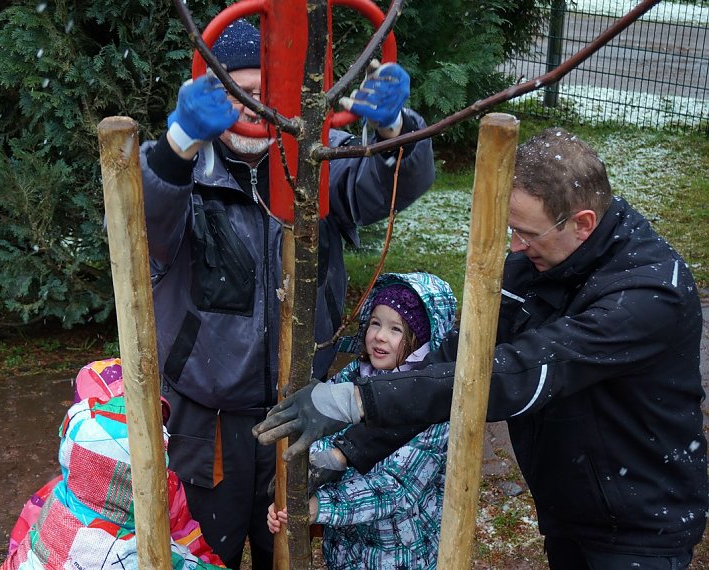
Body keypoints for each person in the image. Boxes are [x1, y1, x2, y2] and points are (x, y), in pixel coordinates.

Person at [254, 128, 709, 569]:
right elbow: (451, 363)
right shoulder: (540, 262)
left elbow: (518, 372)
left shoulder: (649, 295)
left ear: (583, 224)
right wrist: (347, 452)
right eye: (512, 229)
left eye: (527, 233)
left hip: (640, 525)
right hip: (570, 506)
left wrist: (355, 399)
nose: (515, 246)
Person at [140, 18, 436, 569]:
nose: (254, 108)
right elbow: (144, 220)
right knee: (205, 552)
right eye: (239, 93)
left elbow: (397, 185)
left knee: (289, 550)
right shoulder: (180, 168)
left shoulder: (315, 158)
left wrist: (396, 129)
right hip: (210, 425)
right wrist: (179, 141)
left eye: (265, 92)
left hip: (302, 410)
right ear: (213, 93)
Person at [267, 272, 456, 569]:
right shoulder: (353, 379)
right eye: (376, 323)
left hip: (400, 555)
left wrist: (321, 507)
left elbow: (395, 489)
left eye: (397, 329)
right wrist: (297, 494)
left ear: (423, 340)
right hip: (346, 548)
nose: (380, 336)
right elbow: (323, 438)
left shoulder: (433, 405)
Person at [3, 358, 225, 570]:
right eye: (119, 430)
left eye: (151, 424)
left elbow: (190, 541)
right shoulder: (51, 499)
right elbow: (23, 553)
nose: (136, 441)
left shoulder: (167, 486)